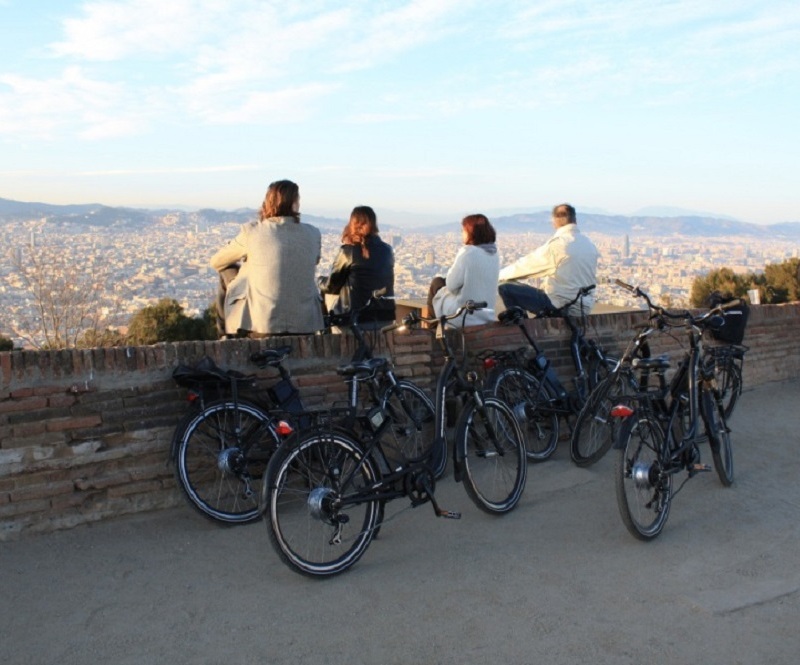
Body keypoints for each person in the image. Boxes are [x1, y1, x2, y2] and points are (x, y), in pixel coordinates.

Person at [210, 179, 324, 337]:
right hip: (305, 323)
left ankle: (224, 336)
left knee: (226, 270)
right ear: (295, 203)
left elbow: (216, 261)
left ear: (268, 202)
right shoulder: (313, 233)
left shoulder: (252, 232)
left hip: (260, 324)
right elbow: (314, 260)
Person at [498, 203, 598, 316]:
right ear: (575, 219)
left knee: (505, 287)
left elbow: (526, 266)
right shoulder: (589, 244)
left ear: (554, 221)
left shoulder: (560, 244)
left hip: (561, 306)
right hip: (584, 308)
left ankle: (522, 327)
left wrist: (497, 276)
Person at [318, 206, 396, 328]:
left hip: (355, 318)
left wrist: (319, 281)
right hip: (385, 317)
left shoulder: (349, 251)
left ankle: (324, 334)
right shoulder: (387, 249)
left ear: (353, 225)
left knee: (326, 293)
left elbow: (331, 286)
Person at [427, 214, 499, 327]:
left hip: (464, 315)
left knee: (437, 283)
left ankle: (432, 329)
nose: (462, 234)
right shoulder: (495, 254)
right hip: (486, 315)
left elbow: (451, 285)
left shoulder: (468, 252)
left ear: (471, 233)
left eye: (463, 231)